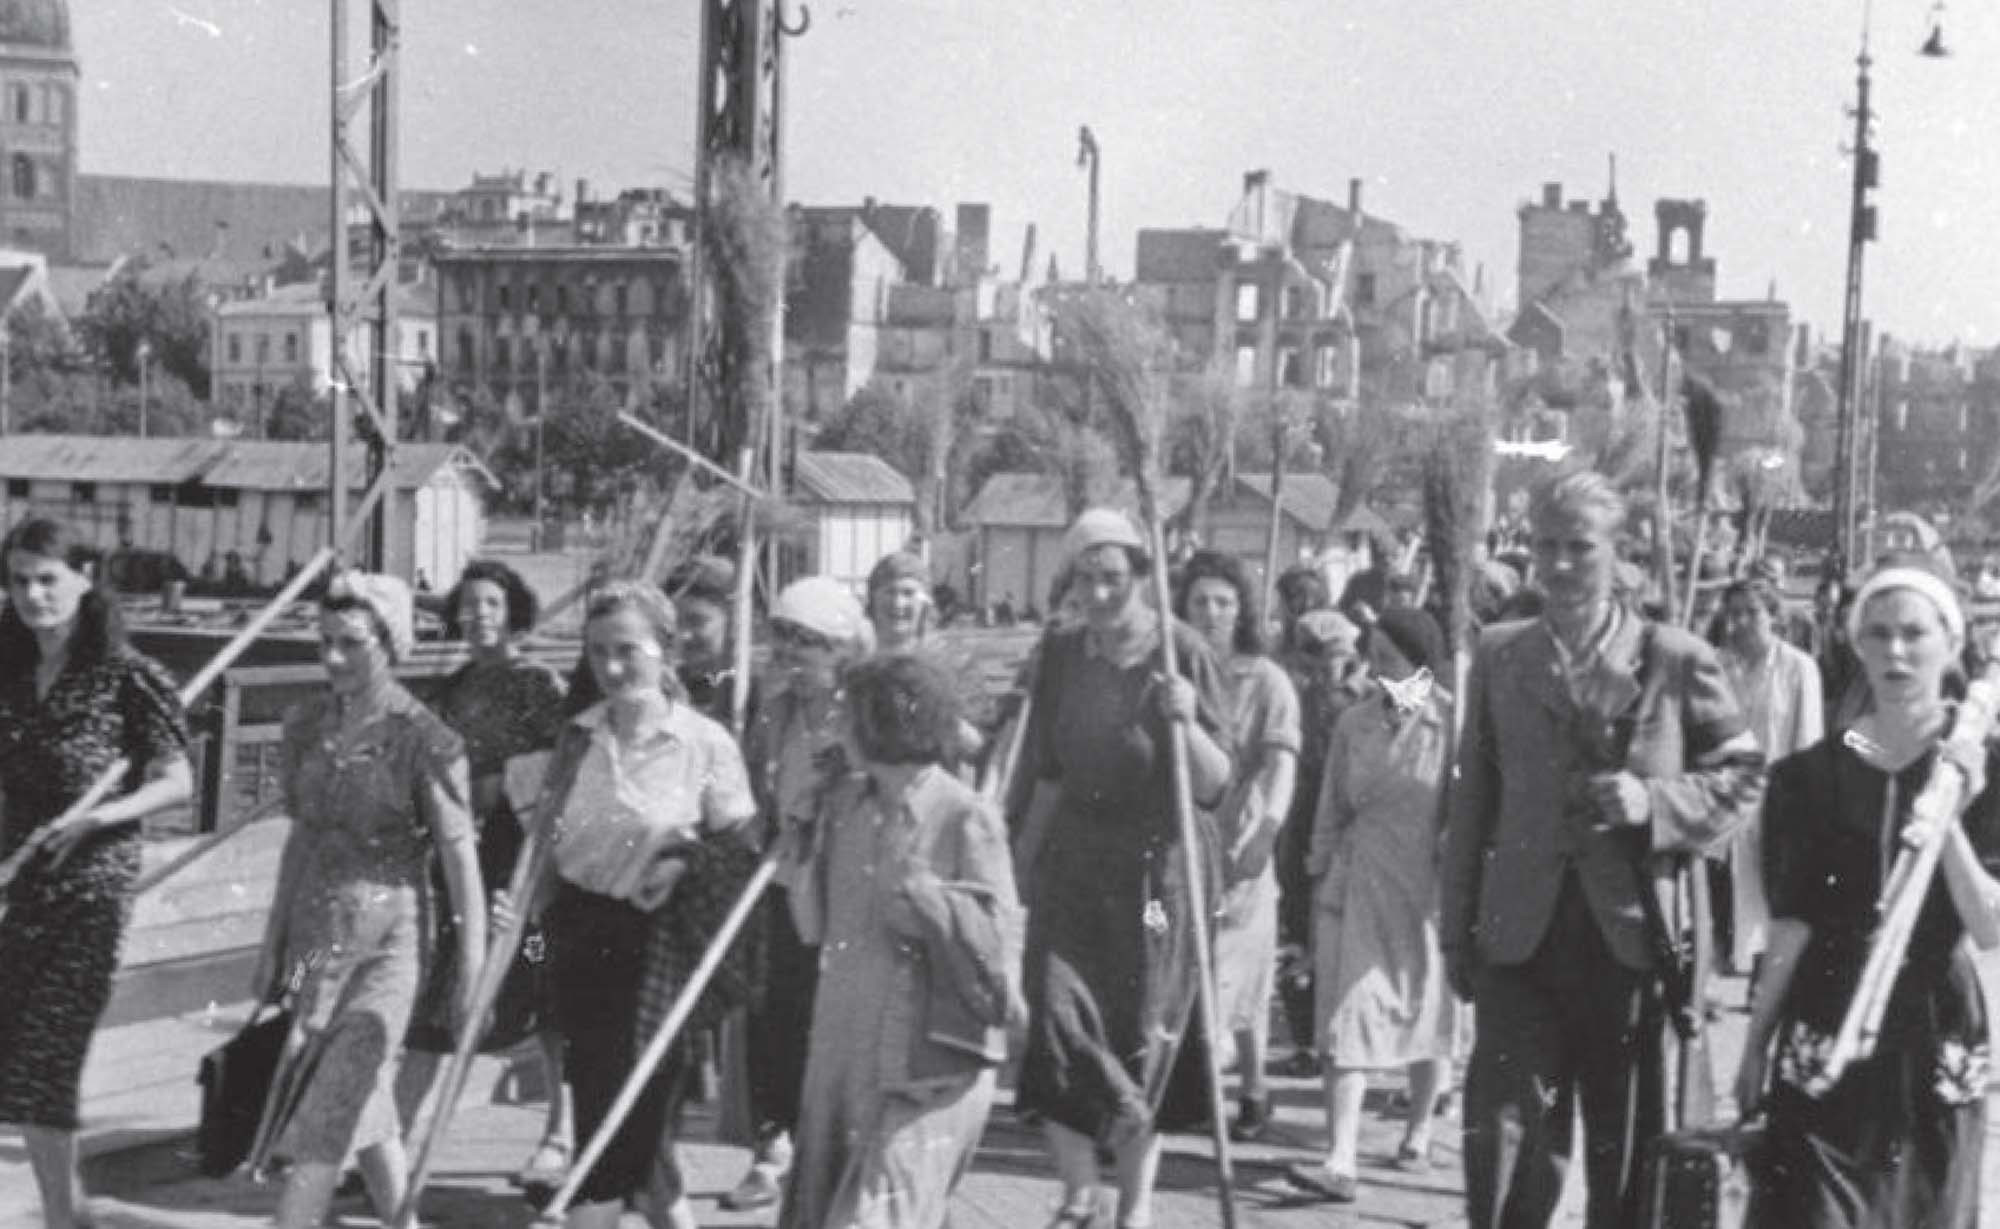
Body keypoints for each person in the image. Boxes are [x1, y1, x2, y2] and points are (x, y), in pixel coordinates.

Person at [1440, 471, 1765, 1229]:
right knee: (1505, 1137)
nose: (1558, 564)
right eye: (1545, 545)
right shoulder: (1500, 655)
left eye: (1580, 547)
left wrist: (1655, 803)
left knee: (1628, 1152)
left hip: (1632, 941)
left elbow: (1747, 774)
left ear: (1619, 553)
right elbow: (1471, 803)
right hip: (1519, 937)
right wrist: (1455, 930)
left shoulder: (1672, 657)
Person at [1737, 556, 2000, 1228]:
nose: (1896, 651)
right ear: (1856, 643)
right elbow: (1790, 926)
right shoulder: (1810, 775)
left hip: (1935, 1026)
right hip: (1827, 1017)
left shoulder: (1988, 768)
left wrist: (1947, 816)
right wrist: (1755, 1042)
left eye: (1914, 633)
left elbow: (1989, 925)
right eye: (1878, 634)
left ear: (1951, 642)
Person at [501, 581, 760, 1229]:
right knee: (617, 1123)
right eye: (597, 652)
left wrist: (685, 864)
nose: (611, 667)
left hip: (663, 950)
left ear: (666, 649)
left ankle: (595, 1207)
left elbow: (742, 855)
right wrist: (526, 917)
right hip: (581, 941)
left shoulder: (703, 744)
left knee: (624, 1129)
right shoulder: (574, 741)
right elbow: (546, 852)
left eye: (627, 650)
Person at [1010, 508, 1234, 1229]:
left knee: (1141, 1034)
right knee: (1053, 1015)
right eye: (1085, 579)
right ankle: (1080, 1195)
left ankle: (1133, 1210)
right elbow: (1047, 772)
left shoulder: (1183, 650)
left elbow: (1215, 784)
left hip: (1156, 875)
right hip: (1074, 864)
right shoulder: (1061, 653)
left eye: (1112, 577)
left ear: (1142, 574)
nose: (1099, 593)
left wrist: (1186, 719)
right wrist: (1019, 866)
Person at [252, 572, 486, 1229]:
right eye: (324, 641)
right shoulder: (305, 724)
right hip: (313, 935)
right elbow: (301, 838)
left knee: (341, 1085)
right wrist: (272, 944)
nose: (333, 658)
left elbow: (460, 857)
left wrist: (472, 969)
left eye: (351, 643)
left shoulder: (426, 738)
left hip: (390, 937)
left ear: (392, 643)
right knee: (360, 1085)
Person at [779, 653, 1024, 1229]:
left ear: (885, 721)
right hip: (844, 1052)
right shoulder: (843, 807)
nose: (837, 728)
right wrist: (801, 835)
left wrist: (935, 907)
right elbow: (811, 927)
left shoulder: (966, 816)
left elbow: (1000, 959)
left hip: (926, 1062)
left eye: (848, 714)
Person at [0, 518, 194, 1229]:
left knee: (46, 1059)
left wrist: (102, 816)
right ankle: (71, 1210)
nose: (33, 594)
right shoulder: (9, 670)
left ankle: (62, 1217)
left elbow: (177, 782)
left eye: (48, 578)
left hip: (91, 890)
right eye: (19, 580)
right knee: (15, 1061)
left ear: (85, 578)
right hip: (21, 884)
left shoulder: (127, 676)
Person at [393, 559, 572, 1188]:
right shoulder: (452, 688)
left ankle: (559, 1135)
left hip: (525, 865)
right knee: (442, 991)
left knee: (545, 986)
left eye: (491, 603)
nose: (478, 616)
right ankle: (393, 1141)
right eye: (467, 605)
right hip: (461, 861)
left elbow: (559, 774)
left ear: (513, 611)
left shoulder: (540, 684)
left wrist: (494, 791)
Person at [1287, 609, 1453, 1203]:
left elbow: (1471, 810)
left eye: (1389, 659)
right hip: (1356, 879)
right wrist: (1318, 872)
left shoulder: (1452, 722)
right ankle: (1340, 1158)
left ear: (1421, 663)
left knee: (1427, 1013)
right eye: (1373, 658)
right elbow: (1330, 806)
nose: (1376, 671)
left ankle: (1419, 1132)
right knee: (1345, 1015)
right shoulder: (1354, 722)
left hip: (1426, 886)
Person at [725, 576, 873, 1212]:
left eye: (802, 643)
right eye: (780, 639)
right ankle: (772, 1148)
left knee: (832, 1018)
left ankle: (837, 1154)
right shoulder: (773, 709)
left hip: (846, 887)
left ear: (839, 649)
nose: (786, 655)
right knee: (774, 1017)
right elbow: (755, 788)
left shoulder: (864, 712)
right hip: (782, 882)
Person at [1171, 550, 1299, 1141]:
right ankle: (1188, 1090)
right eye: (1199, 601)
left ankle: (1251, 1089)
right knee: (1175, 962)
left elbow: (1281, 763)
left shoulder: (1265, 680)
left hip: (1241, 849)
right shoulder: (1171, 672)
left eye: (1223, 602)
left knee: (1239, 972)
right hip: (1175, 847)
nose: (1211, 612)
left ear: (1242, 609)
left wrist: (1267, 828)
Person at [1713, 576, 1824, 979]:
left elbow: (1807, 744)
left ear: (1773, 616)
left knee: (1770, 904)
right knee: (1725, 901)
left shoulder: (1798, 668)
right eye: (1733, 613)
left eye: (1751, 612)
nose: (1740, 622)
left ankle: (1765, 987)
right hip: (1722, 799)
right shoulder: (1717, 665)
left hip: (1777, 802)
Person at [1274, 608, 1367, 1077]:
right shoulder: (1294, 696)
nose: (1336, 664)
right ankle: (1305, 1039)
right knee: (1297, 925)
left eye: (1342, 655)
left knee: (1341, 927)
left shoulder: (1364, 698)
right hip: (1300, 818)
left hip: (1347, 823)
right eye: (1327, 655)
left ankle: (1338, 1033)